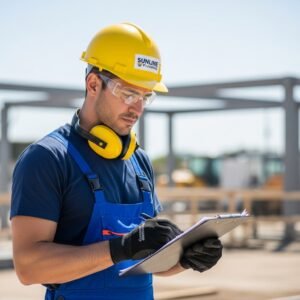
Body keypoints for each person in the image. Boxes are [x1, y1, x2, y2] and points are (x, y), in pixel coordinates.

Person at [10, 22, 223, 300]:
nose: (138, 107)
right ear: (93, 83)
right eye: (128, 93)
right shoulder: (48, 158)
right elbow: (29, 267)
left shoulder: (139, 162)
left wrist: (187, 257)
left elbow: (144, 262)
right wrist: (119, 248)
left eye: (146, 96)